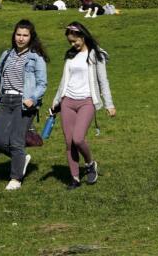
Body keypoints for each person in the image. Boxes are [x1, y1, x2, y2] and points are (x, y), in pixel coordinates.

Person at [0, 19, 48, 191]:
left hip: (24, 103)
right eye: (18, 34)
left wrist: (33, 98)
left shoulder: (36, 58)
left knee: (16, 141)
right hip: (5, 101)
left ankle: (16, 179)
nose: (21, 38)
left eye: (25, 35)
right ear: (14, 35)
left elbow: (42, 84)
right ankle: (21, 159)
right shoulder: (6, 55)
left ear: (31, 37)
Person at [49, 22, 115, 190]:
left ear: (83, 36)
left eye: (74, 41)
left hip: (87, 101)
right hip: (67, 102)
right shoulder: (70, 56)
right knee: (70, 142)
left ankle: (90, 164)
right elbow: (64, 81)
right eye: (70, 42)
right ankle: (75, 178)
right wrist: (56, 101)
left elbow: (103, 81)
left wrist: (109, 104)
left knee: (78, 139)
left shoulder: (95, 55)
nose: (72, 45)